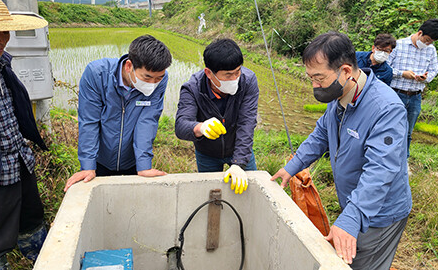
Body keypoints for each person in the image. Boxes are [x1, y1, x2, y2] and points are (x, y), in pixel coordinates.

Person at [271, 32, 412, 270]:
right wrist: (290, 168)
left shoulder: (386, 109)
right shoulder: (341, 94)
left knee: (360, 265)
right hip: (355, 202)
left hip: (379, 212)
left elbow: (380, 172)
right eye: (310, 78)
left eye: (319, 78)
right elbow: (320, 136)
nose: (315, 86)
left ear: (345, 71)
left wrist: (351, 218)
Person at [0, 0, 49, 269]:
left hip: (18, 161)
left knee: (32, 220)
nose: (2, 38)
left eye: (5, 30)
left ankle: (45, 263)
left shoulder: (0, 63)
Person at [64, 35, 172, 191]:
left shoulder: (160, 80)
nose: (152, 84)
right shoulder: (97, 74)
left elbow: (147, 121)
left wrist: (143, 166)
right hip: (102, 158)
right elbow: (89, 121)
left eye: (158, 78)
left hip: (132, 159)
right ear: (129, 66)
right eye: (147, 77)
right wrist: (88, 165)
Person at [175, 39, 259, 194]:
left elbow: (246, 123)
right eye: (228, 75)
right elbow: (181, 125)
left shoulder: (248, 81)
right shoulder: (192, 89)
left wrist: (238, 163)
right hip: (207, 153)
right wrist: (200, 127)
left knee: (248, 191)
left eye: (237, 72)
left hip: (240, 149)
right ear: (209, 73)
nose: (234, 79)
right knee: (211, 193)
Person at [387, 19, 438, 156]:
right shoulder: (398, 45)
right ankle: (385, 158)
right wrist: (402, 74)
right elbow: (385, 68)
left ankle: (403, 162)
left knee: (407, 132)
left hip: (415, 97)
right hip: (395, 94)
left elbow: (434, 70)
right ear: (420, 33)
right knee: (389, 128)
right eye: (427, 40)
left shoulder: (431, 50)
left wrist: (426, 77)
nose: (428, 44)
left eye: (432, 42)